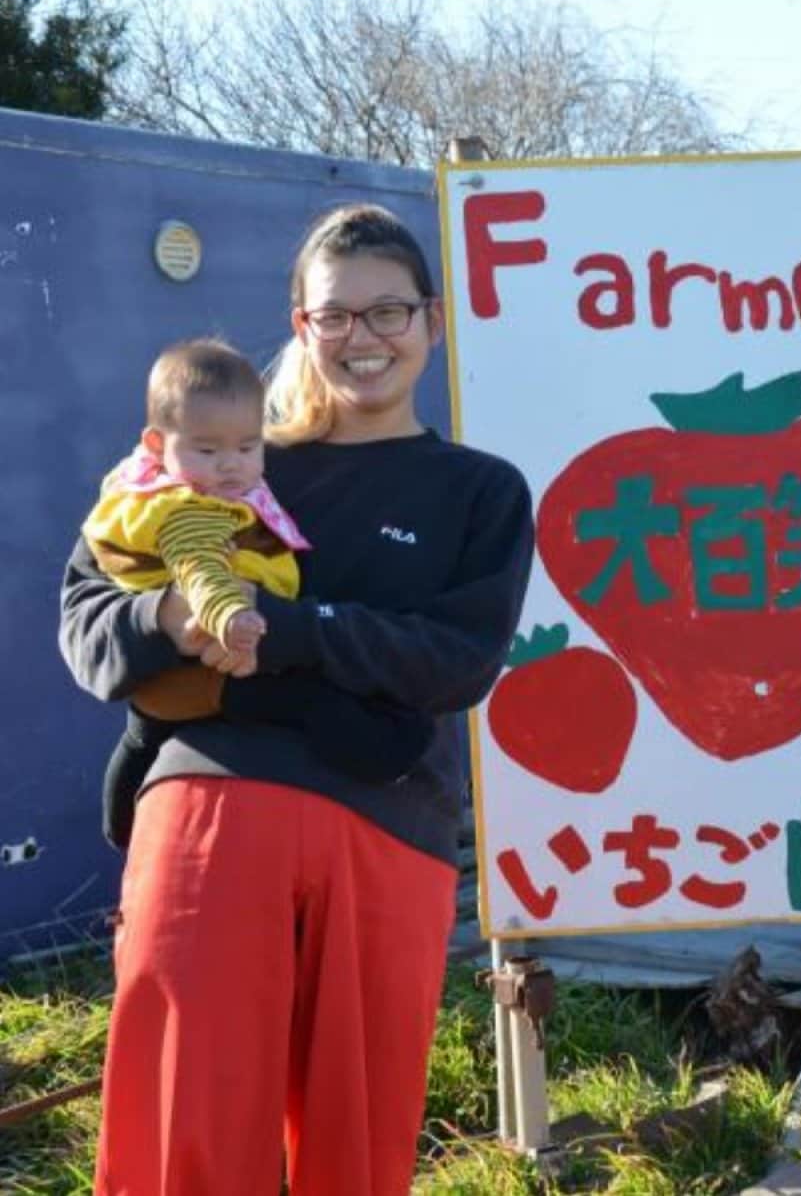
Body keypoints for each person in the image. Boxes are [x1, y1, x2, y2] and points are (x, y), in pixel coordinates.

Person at [58, 202, 534, 1196]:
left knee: (354, 1150)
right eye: (335, 315)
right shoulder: (219, 453)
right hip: (207, 813)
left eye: (388, 311)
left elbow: (457, 661)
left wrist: (285, 630)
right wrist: (172, 617)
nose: (364, 337)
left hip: (388, 828)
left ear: (431, 321)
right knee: (183, 1135)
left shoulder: (480, 490)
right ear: (300, 323)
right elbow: (89, 617)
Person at [80, 337, 433, 850]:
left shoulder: (213, 485)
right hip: (209, 647)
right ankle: (122, 827)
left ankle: (122, 826)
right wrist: (231, 617)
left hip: (214, 654)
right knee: (300, 702)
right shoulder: (186, 508)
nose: (230, 464)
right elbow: (203, 572)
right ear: (157, 445)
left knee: (147, 731)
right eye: (208, 451)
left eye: (248, 448)